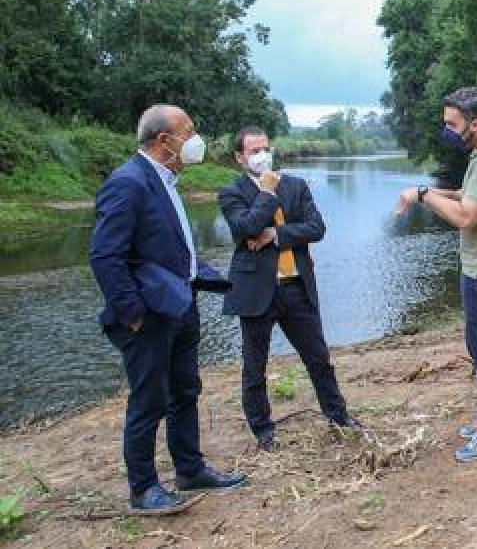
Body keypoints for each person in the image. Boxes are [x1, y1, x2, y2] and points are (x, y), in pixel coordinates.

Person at [89, 104, 247, 516]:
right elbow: (106, 257)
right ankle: (143, 490)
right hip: (148, 317)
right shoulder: (128, 183)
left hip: (179, 306)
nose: (195, 139)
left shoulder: (166, 179)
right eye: (188, 131)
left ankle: (190, 470)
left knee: (184, 392)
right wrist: (133, 314)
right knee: (148, 400)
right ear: (165, 141)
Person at [395, 86, 477, 463]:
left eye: (452, 124)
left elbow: (466, 216)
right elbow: (466, 196)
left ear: (475, 123)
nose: (447, 131)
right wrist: (430, 192)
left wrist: (421, 195)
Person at [217, 127, 358, 450]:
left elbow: (316, 228)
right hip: (256, 290)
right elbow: (246, 227)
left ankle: (338, 416)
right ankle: (262, 430)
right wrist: (266, 194)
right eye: (254, 151)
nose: (262, 155)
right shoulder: (231, 192)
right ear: (240, 157)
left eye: (265, 148)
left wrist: (276, 236)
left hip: (296, 286)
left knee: (319, 358)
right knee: (255, 367)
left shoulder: (295, 185)